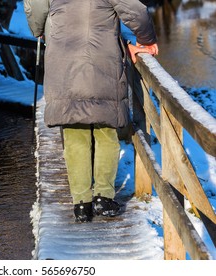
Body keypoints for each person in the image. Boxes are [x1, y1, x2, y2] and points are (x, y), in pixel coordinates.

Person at [24, 0, 158, 222]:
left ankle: (81, 204)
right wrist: (146, 39)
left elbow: (35, 5)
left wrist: (38, 29)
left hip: (63, 61)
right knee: (106, 130)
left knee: (75, 133)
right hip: (102, 63)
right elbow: (136, 11)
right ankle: (103, 197)